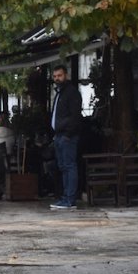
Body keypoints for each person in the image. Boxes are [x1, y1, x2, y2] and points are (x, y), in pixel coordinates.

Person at [50, 63, 83, 210]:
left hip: (67, 136)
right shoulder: (59, 93)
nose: (57, 78)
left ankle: (70, 199)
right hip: (59, 135)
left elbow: (75, 116)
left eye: (60, 75)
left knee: (69, 166)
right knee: (63, 167)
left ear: (66, 76)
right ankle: (65, 198)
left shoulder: (71, 92)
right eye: (55, 76)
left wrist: (68, 134)